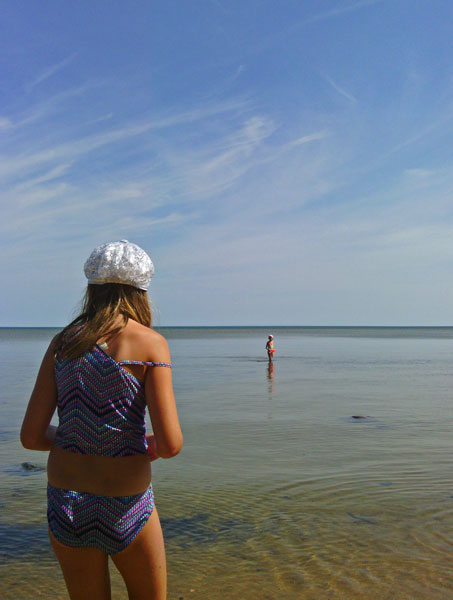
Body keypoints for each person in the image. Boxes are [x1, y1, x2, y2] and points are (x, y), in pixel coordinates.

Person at [20, 240, 183, 600]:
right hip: (126, 504)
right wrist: (141, 443)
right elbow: (170, 445)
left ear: (91, 288)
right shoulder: (151, 345)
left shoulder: (63, 343)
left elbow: (31, 437)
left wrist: (84, 438)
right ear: (141, 290)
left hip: (67, 504)